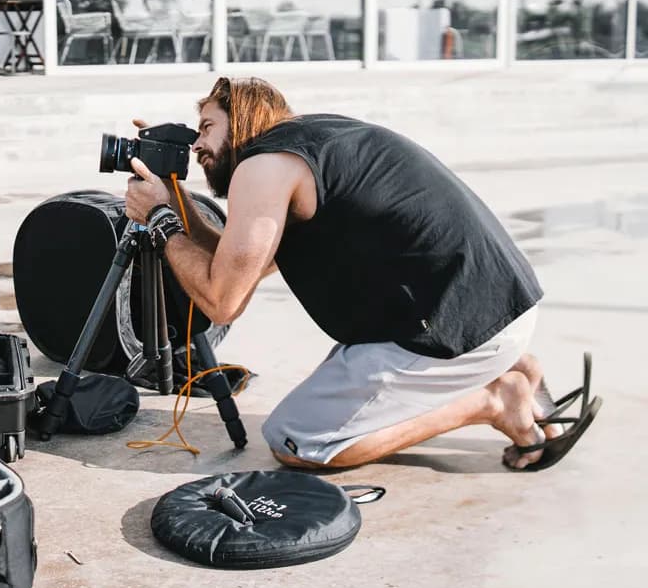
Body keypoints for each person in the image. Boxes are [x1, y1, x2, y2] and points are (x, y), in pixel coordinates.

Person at [124, 76, 600, 471]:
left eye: (206, 127)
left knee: (297, 442)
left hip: (453, 335)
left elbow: (222, 298)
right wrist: (173, 198)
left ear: (245, 116)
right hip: (500, 309)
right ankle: (514, 365)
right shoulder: (317, 146)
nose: (198, 145)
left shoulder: (262, 166)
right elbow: (236, 264)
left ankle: (494, 401)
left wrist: (161, 222)